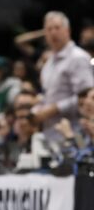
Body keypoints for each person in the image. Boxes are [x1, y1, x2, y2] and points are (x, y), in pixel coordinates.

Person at [32, 11, 94, 143]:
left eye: (57, 28)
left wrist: (55, 108)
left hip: (76, 132)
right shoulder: (48, 63)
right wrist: (37, 108)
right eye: (49, 29)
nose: (53, 32)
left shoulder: (78, 58)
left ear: (67, 31)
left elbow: (87, 96)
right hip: (51, 132)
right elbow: (47, 95)